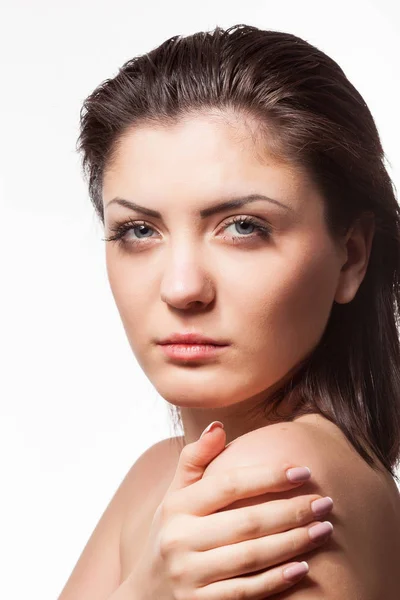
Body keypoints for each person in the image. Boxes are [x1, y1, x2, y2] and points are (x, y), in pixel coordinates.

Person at [59, 24, 400, 599]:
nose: (182, 287)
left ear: (351, 257)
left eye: (243, 227)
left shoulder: (272, 482)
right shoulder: (155, 476)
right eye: (138, 230)